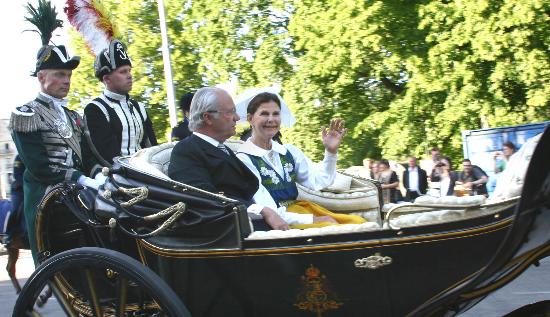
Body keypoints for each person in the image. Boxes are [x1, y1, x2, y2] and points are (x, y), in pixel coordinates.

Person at [10, 1, 105, 260]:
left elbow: (88, 156)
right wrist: (81, 179)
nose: (66, 81)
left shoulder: (73, 115)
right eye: (60, 74)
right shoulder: (25, 114)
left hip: (77, 192)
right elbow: (40, 167)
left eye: (69, 76)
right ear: (42, 77)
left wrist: (99, 175)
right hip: (48, 197)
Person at [235, 91, 365, 229]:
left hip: (301, 210)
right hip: (280, 221)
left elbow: (320, 181)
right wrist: (313, 220)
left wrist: (331, 152)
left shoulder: (289, 151)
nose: (271, 119)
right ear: (250, 118)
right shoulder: (244, 158)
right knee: (334, 229)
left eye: (276, 114)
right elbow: (269, 210)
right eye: (264, 114)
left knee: (359, 223)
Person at [167, 87, 272, 228]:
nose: (237, 118)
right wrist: (261, 210)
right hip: (230, 233)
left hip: (251, 225)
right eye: (230, 112)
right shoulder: (186, 151)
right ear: (208, 118)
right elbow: (205, 198)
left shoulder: (221, 148)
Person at [84, 39, 158, 164]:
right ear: (107, 79)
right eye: (123, 72)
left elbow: (152, 147)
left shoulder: (139, 107)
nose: (129, 75)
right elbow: (106, 154)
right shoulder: (95, 109)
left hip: (147, 171)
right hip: (116, 176)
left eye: (129, 70)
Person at [2, 156, 27, 247]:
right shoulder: (19, 157)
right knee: (15, 209)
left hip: (34, 189)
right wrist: (29, 185)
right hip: (19, 190)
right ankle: (9, 235)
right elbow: (17, 174)